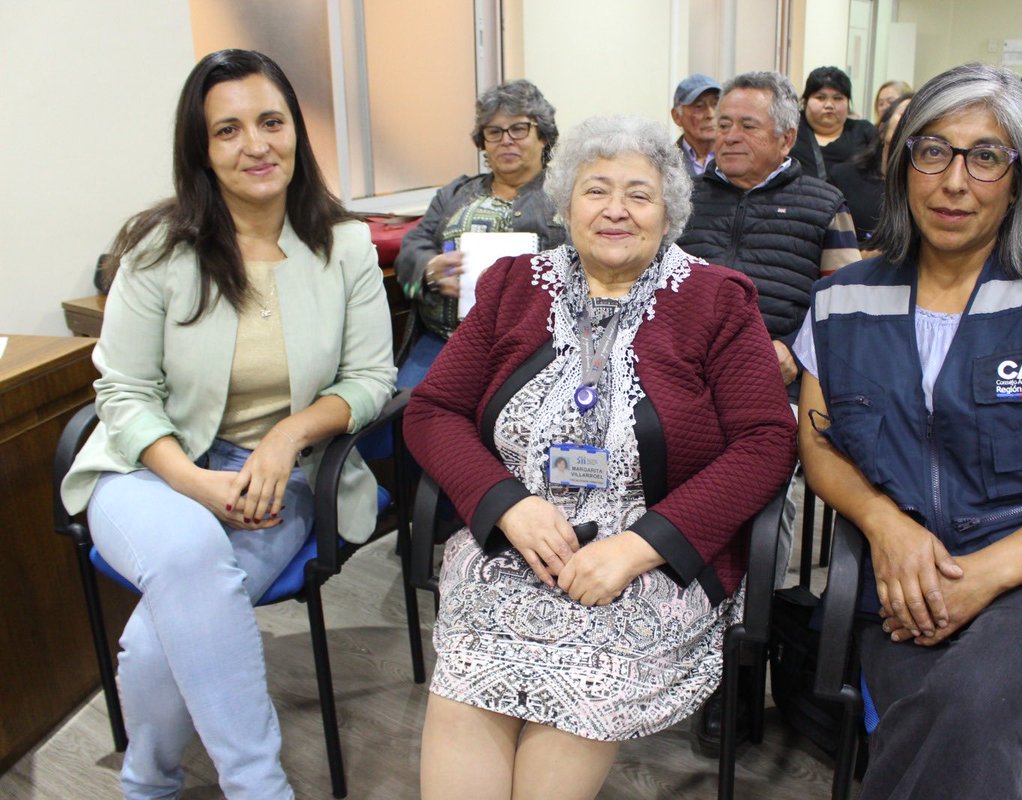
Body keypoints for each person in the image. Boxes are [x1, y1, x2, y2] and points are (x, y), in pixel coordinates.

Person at [797, 63, 1022, 799]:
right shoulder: (841, 303)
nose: (955, 181)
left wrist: (987, 577)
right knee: (959, 724)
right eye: (932, 151)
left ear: (1021, 177)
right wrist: (883, 524)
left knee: (968, 707)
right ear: (902, 169)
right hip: (910, 583)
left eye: (987, 156)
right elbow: (820, 442)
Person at [404, 115, 797, 799]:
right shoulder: (512, 287)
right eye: (596, 190)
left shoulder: (716, 300)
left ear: (669, 211)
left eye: (639, 194)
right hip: (511, 549)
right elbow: (432, 411)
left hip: (645, 567)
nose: (616, 210)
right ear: (564, 204)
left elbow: (766, 442)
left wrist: (639, 548)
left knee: (581, 666)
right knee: (475, 673)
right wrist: (506, 505)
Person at [59, 49, 396, 800]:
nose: (256, 145)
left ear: (296, 133)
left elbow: (372, 380)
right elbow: (123, 390)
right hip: (149, 467)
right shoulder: (156, 249)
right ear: (201, 151)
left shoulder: (343, 246)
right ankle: (257, 787)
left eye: (271, 122)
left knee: (156, 635)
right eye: (228, 130)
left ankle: (147, 781)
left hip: (275, 478)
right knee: (185, 555)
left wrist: (284, 437)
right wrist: (188, 479)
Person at [677, 71, 859, 403]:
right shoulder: (683, 199)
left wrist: (795, 350)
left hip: (777, 383)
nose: (731, 137)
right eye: (724, 125)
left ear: (786, 139)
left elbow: (849, 307)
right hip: (685, 379)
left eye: (748, 126)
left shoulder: (825, 205)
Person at [396, 79, 565, 387]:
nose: (506, 140)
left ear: (543, 135)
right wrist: (429, 271)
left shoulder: (567, 198)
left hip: (536, 349)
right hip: (443, 342)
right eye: (494, 131)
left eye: (519, 128)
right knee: (408, 410)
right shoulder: (455, 194)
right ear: (483, 141)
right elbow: (411, 249)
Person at [830, 94, 912, 251]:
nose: (910, 120)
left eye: (917, 115)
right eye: (904, 112)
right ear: (882, 130)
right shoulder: (844, 177)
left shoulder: (925, 186)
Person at [789, 66, 876, 180]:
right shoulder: (790, 130)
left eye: (838, 98)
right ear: (805, 101)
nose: (829, 105)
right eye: (820, 97)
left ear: (848, 102)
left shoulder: (864, 131)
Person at [671, 73, 721, 175]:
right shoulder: (666, 162)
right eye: (699, 106)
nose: (710, 115)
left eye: (716, 105)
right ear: (677, 116)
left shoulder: (735, 157)